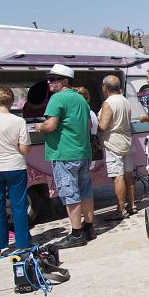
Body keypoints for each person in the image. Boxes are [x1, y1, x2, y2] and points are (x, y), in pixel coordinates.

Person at [36, 64, 95, 249]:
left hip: (64, 152)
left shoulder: (57, 98)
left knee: (70, 193)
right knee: (85, 190)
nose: (49, 82)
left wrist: (39, 127)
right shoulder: (81, 99)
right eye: (49, 78)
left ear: (65, 81)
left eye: (53, 79)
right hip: (83, 151)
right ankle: (89, 228)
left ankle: (76, 234)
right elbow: (86, 125)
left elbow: (51, 125)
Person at [0, 87, 32, 257]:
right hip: (15, 166)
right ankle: (23, 243)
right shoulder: (18, 121)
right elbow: (25, 149)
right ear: (11, 100)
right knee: (19, 206)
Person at [98, 75, 136, 219]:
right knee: (128, 175)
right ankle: (132, 205)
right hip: (126, 141)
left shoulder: (108, 103)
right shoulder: (125, 100)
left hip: (113, 143)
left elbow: (102, 126)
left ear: (105, 87)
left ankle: (121, 209)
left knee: (117, 177)